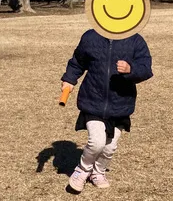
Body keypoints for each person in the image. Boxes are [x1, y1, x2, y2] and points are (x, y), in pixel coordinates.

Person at [61, 28, 153, 191]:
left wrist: (131, 70)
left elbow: (146, 68)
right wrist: (69, 79)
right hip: (92, 100)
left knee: (109, 147)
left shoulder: (135, 40)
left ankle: (98, 172)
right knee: (97, 142)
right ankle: (83, 169)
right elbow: (77, 61)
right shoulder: (91, 37)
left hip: (120, 104)